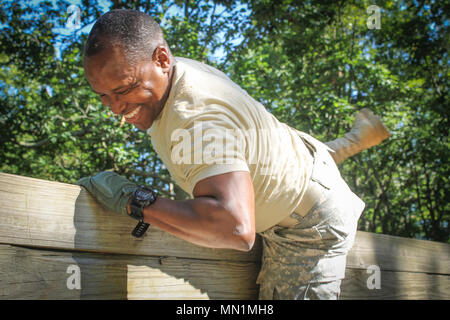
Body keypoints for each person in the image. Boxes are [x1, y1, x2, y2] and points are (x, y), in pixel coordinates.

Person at [78, 9, 390, 299]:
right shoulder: (175, 74)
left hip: (308, 222)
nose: (116, 108)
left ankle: (346, 144)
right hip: (291, 151)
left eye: (123, 90)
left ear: (162, 58)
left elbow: (236, 229)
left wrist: (136, 202)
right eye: (103, 96)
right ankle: (350, 141)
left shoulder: (195, 120)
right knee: (262, 152)